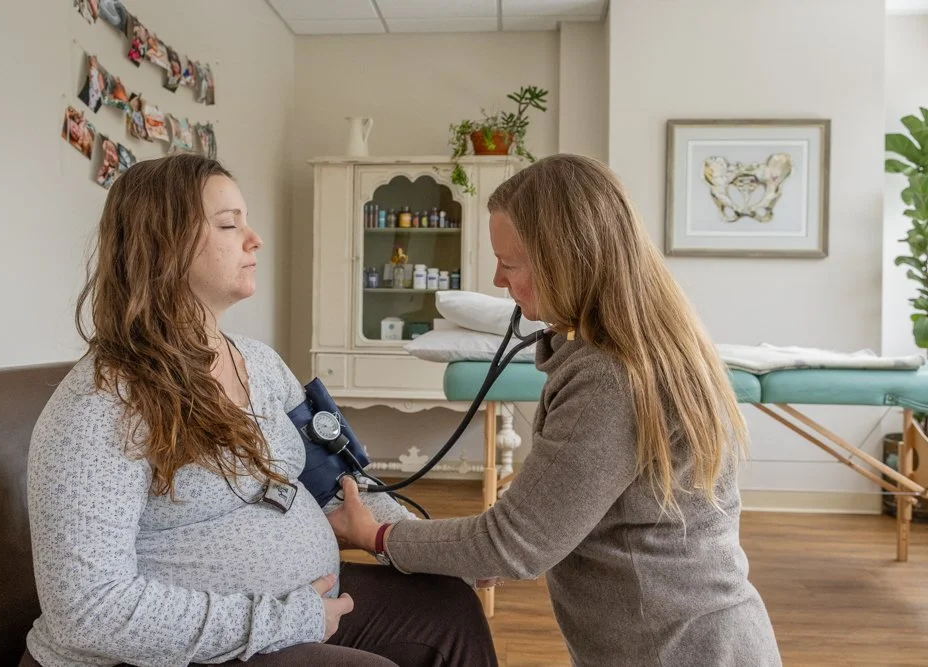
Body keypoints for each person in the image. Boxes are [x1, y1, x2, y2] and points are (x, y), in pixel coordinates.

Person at [20, 153, 498, 667]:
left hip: (299, 607)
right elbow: (87, 611)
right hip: (153, 655)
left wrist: (428, 547)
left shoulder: (261, 364)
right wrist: (285, 620)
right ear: (163, 246)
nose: (255, 239)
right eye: (229, 224)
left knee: (449, 609)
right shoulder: (102, 403)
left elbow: (340, 486)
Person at [329, 153, 783, 667]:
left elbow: (514, 544)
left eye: (511, 263)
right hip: (689, 637)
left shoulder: (609, 379)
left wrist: (375, 535)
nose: (499, 280)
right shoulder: (634, 349)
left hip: (675, 650)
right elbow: (553, 522)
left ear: (567, 261)